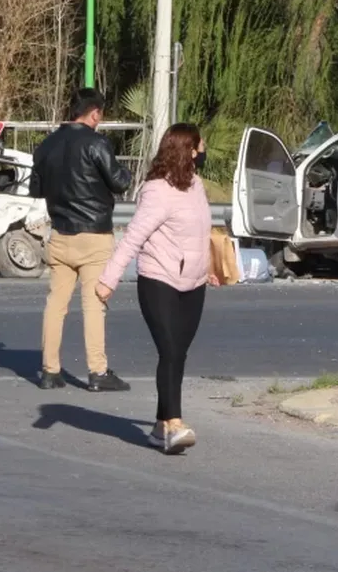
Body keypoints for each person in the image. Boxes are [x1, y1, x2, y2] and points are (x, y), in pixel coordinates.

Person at [96, 123, 218, 455]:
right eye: (200, 146)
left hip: (194, 282)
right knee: (171, 350)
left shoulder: (196, 185)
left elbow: (199, 232)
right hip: (159, 280)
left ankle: (159, 426)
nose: (204, 151)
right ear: (188, 150)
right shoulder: (156, 191)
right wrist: (109, 279)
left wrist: (210, 268)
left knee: (178, 353)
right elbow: (132, 238)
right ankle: (175, 423)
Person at [29, 88, 133, 392]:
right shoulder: (97, 143)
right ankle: (98, 372)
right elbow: (120, 181)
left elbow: (36, 190)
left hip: (60, 233)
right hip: (94, 234)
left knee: (56, 304)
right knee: (94, 304)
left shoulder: (46, 145)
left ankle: (50, 371)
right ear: (95, 113)